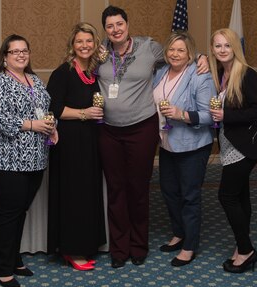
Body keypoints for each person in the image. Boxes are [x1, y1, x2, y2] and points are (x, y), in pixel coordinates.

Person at [97, 5, 209, 268]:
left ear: (127, 24)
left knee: (138, 189)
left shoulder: (150, 47)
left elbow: (178, 53)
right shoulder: (99, 53)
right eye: (110, 26)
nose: (115, 29)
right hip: (109, 131)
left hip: (141, 129)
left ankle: (138, 246)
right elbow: (78, 61)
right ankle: (119, 249)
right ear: (105, 29)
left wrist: (202, 55)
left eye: (119, 24)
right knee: (116, 190)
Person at [0, 34, 58, 287]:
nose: (21, 55)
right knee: (7, 213)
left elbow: (46, 111)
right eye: (14, 51)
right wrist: (32, 125)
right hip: (4, 160)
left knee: (20, 211)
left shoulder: (35, 80)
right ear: (5, 57)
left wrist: (52, 126)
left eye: (24, 50)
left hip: (34, 159)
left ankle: (13, 259)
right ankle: (1, 268)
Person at [209, 28, 257, 273]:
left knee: (227, 196)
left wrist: (227, 115)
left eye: (227, 46)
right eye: (217, 46)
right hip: (230, 143)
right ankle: (241, 245)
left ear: (235, 48)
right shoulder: (221, 74)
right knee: (241, 195)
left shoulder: (247, 74)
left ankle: (246, 250)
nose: (222, 50)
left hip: (246, 146)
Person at [153, 30, 216, 267]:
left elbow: (210, 116)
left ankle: (189, 245)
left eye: (181, 50)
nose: (175, 54)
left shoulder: (200, 76)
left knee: (189, 196)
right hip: (167, 143)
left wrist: (182, 114)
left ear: (190, 53)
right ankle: (178, 233)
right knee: (169, 192)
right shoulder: (160, 72)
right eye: (172, 49)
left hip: (193, 145)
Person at [47, 22, 106, 271]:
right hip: (69, 143)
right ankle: (70, 250)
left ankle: (85, 244)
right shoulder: (63, 73)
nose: (85, 45)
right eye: (80, 41)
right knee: (72, 195)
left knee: (87, 194)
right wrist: (84, 113)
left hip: (90, 141)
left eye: (89, 41)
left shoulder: (95, 72)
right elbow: (55, 109)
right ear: (72, 45)